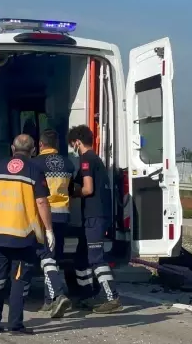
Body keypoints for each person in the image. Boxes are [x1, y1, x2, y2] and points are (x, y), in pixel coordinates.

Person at [0, 134, 55, 335]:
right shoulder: (35, 170)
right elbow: (42, 202)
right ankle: (15, 325)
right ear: (33, 150)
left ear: (12, 148)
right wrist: (49, 230)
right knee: (19, 281)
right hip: (24, 236)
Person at [68, 125, 122, 313]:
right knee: (80, 258)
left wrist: (73, 193)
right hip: (95, 215)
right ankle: (87, 295)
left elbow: (88, 189)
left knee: (95, 258)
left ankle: (112, 297)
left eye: (72, 144)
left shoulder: (86, 160)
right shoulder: (96, 160)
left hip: (94, 216)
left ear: (77, 142)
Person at [31, 129, 75, 317]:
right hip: (63, 215)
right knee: (53, 257)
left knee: (45, 256)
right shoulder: (68, 163)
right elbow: (71, 189)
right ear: (56, 144)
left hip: (45, 215)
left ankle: (58, 295)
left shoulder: (34, 164)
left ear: (41, 145)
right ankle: (49, 300)